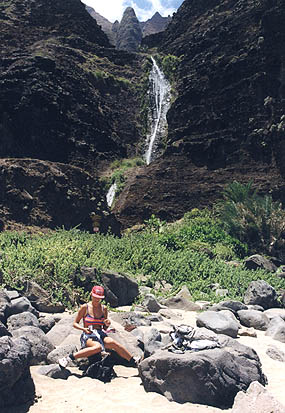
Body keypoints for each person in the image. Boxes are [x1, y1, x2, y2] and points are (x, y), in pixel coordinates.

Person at [58, 285, 140, 368]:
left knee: (113, 343)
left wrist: (106, 324)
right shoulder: (85, 307)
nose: (97, 299)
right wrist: (83, 329)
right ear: (91, 295)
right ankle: (68, 358)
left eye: (99, 297)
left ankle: (133, 360)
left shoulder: (104, 309)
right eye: (95, 297)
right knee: (97, 347)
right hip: (88, 335)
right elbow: (75, 323)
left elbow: (104, 328)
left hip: (100, 333)